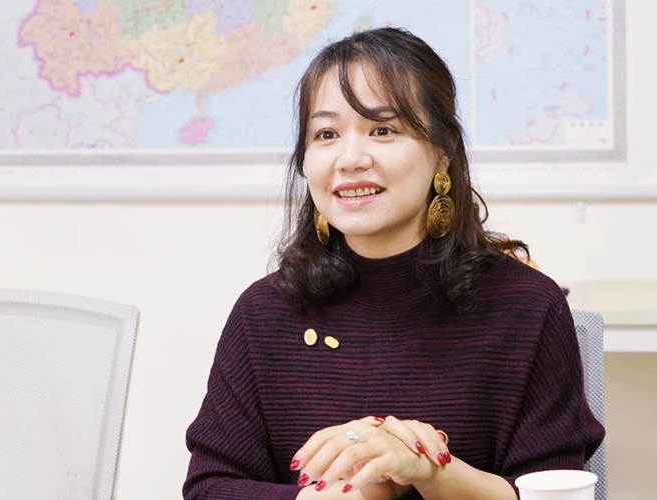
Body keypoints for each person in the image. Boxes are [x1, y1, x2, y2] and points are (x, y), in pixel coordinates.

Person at [183, 28, 604, 500]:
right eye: (326, 134)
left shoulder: (527, 306)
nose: (350, 159)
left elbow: (556, 492)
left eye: (382, 130)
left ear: (443, 152)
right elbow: (210, 487)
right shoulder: (263, 312)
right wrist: (343, 496)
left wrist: (430, 472)